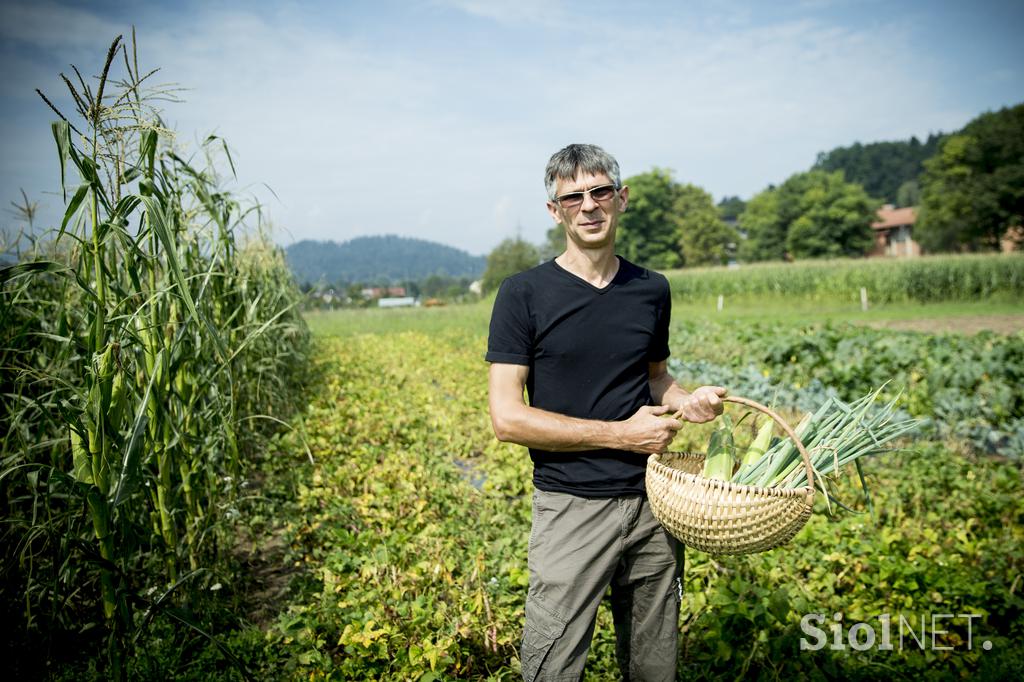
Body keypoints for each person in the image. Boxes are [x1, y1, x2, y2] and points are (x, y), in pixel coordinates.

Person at [486, 143, 727, 681]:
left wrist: (686, 401)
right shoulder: (522, 294)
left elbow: (655, 377)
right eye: (574, 197)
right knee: (552, 667)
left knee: (654, 667)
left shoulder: (650, 289)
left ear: (622, 199)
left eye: (600, 193)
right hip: (570, 507)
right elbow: (507, 419)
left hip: (654, 506)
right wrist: (621, 435)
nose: (589, 206)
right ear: (555, 210)